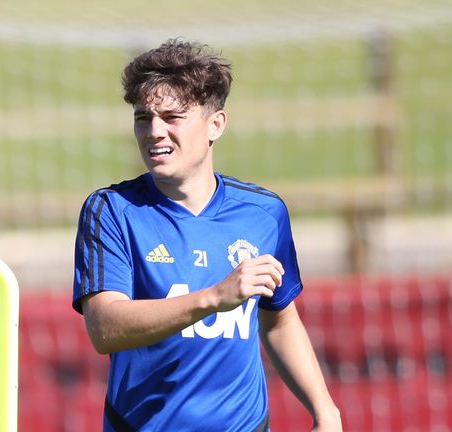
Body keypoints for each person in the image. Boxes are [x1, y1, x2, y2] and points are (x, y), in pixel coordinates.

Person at [72, 39, 342, 431]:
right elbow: (104, 328)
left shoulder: (263, 213)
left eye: (172, 117)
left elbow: (280, 320)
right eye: (143, 118)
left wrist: (325, 411)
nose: (154, 132)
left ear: (215, 124)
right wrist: (215, 297)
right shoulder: (111, 210)